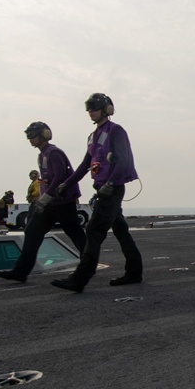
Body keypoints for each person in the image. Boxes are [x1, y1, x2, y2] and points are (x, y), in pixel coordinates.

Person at [51, 93, 142, 293]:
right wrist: (67, 183)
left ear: (107, 109)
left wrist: (109, 184)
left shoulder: (116, 131)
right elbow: (85, 164)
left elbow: (123, 160)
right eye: (89, 108)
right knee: (121, 231)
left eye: (94, 107)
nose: (90, 111)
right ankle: (135, 271)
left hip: (112, 189)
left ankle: (80, 278)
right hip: (102, 187)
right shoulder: (93, 136)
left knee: (93, 231)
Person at [0, 122, 86, 282]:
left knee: (76, 235)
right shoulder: (43, 154)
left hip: (62, 203)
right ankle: (20, 272)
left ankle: (88, 265)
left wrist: (46, 197)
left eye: (32, 135)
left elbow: (60, 176)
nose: (30, 139)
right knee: (32, 233)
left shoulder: (53, 153)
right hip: (49, 204)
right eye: (28, 136)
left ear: (44, 134)